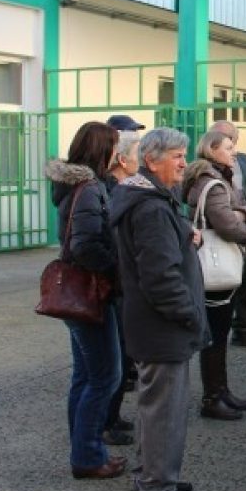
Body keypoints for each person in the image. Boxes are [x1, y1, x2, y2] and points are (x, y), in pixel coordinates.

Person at [110, 127, 207, 491]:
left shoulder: (150, 199)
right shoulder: (150, 207)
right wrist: (189, 314)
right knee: (164, 416)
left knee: (155, 412)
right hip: (162, 328)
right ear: (151, 161)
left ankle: (152, 478)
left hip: (155, 327)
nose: (184, 162)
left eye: (184, 154)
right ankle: (156, 490)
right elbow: (160, 276)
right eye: (176, 156)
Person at [43, 121, 125, 480]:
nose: (119, 154)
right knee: (106, 376)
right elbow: (87, 245)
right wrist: (117, 271)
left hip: (76, 291)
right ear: (101, 150)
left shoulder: (72, 185)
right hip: (90, 291)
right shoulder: (90, 188)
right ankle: (88, 456)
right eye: (115, 146)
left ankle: (83, 447)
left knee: (85, 374)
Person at [183, 130, 246, 421]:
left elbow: (245, 207)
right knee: (216, 333)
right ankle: (213, 397)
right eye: (228, 147)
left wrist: (242, 213)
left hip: (214, 262)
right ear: (212, 150)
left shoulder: (216, 178)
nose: (234, 151)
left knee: (220, 331)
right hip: (215, 266)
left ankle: (221, 391)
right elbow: (229, 225)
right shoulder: (213, 183)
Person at [100, 130, 142, 448]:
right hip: (115, 285)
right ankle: (105, 422)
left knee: (123, 357)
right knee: (112, 360)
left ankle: (112, 417)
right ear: (122, 159)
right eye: (139, 155)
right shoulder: (111, 191)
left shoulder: (122, 188)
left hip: (123, 284)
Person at [210, 120, 246, 348]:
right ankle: (217, 331)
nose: (229, 146)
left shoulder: (244, 160)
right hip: (224, 231)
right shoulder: (205, 168)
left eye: (230, 140)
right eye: (223, 140)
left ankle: (243, 328)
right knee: (223, 279)